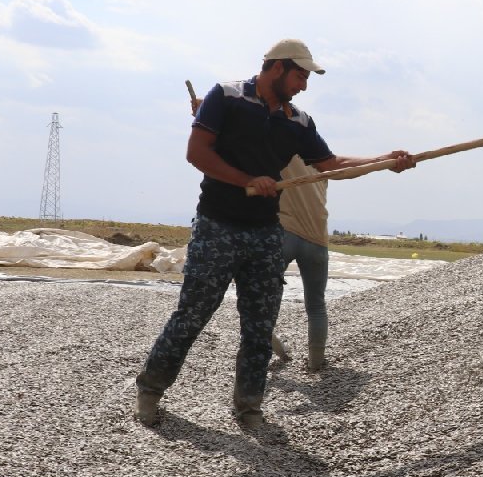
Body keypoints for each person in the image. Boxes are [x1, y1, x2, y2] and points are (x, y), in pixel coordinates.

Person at [135, 38, 415, 429]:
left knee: (259, 325)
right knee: (192, 316)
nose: (304, 85)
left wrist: (383, 161)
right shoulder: (226, 96)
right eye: (300, 75)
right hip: (218, 225)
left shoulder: (297, 121)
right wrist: (247, 179)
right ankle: (150, 390)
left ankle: (248, 407)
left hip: (266, 232)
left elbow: (331, 164)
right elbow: (197, 154)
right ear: (278, 68)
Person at [277, 156, 332, 369]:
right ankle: (316, 362)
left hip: (284, 232)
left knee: (264, 302)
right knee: (316, 304)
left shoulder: (279, 146)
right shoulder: (320, 157)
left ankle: (276, 348)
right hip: (317, 237)